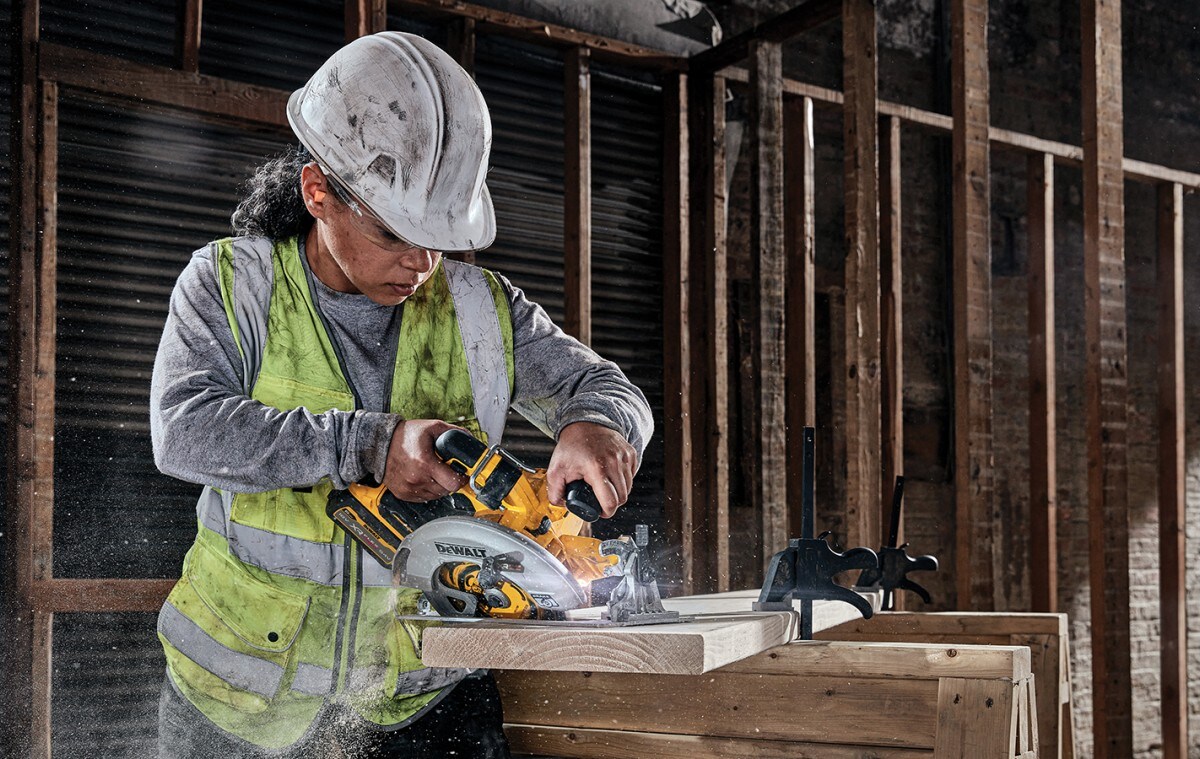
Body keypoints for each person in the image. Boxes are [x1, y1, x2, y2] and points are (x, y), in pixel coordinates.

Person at [149, 31, 652, 757]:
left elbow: (608, 387)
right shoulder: (230, 285)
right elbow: (184, 428)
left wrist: (599, 424)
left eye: (438, 237)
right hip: (233, 706)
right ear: (318, 191)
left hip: (423, 699)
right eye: (394, 233)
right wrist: (372, 443)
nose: (421, 263)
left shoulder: (481, 309)